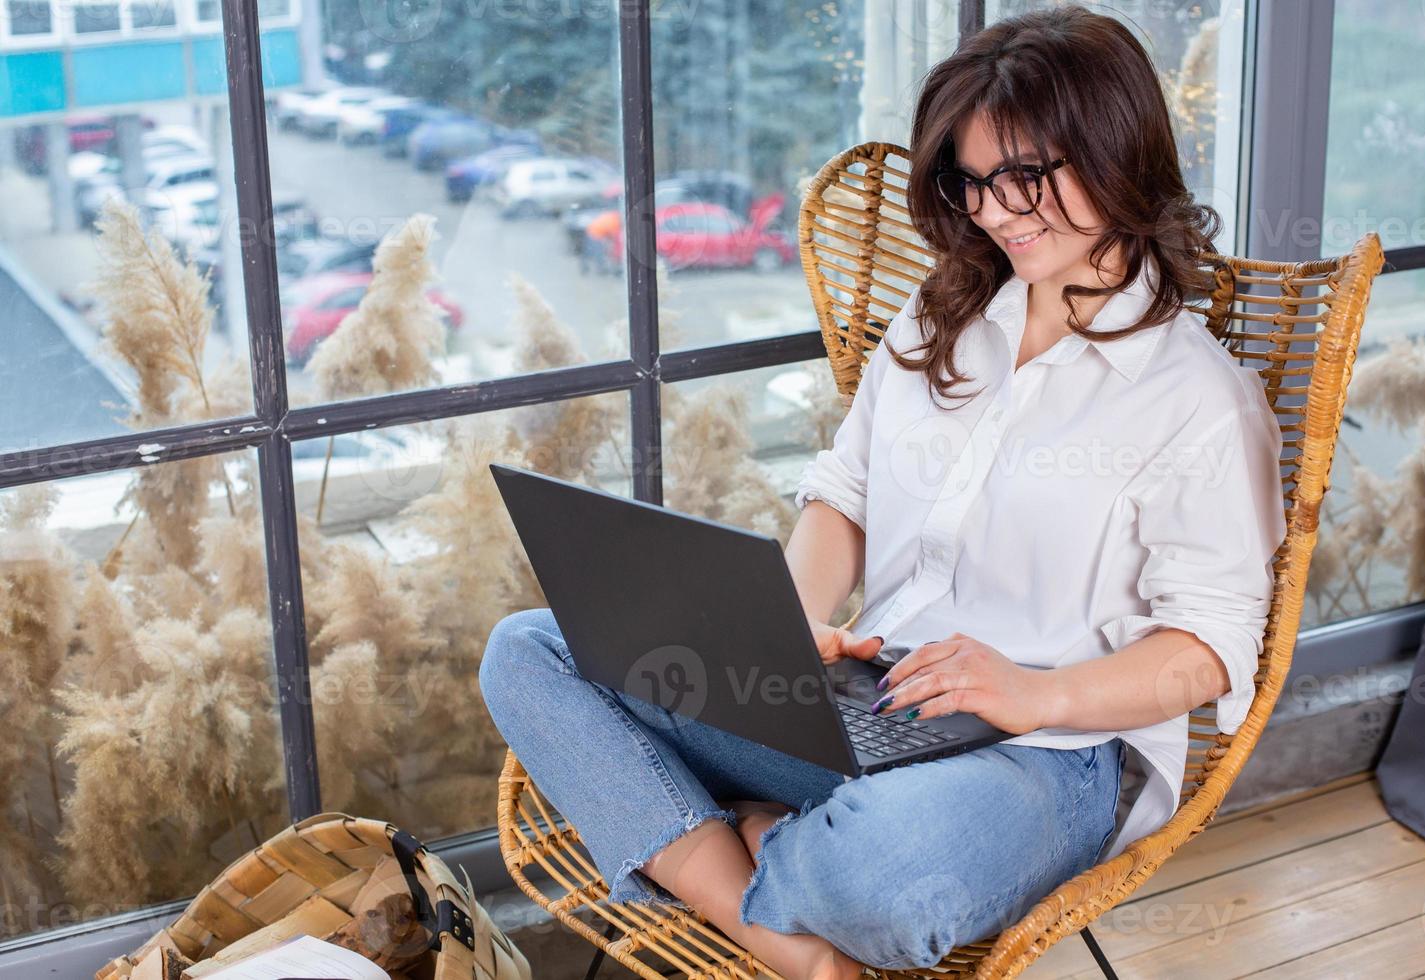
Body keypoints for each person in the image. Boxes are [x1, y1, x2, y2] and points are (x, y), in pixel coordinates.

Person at [480, 6, 1286, 978]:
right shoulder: (939, 312)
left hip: (1053, 752)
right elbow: (848, 494)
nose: (996, 211)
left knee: (885, 872)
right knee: (529, 649)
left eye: (1027, 175)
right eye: (974, 180)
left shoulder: (1194, 396)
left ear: (1117, 150)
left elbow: (1208, 650)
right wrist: (777, 629)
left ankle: (703, 826)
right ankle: (777, 926)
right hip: (873, 694)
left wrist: (1037, 692)